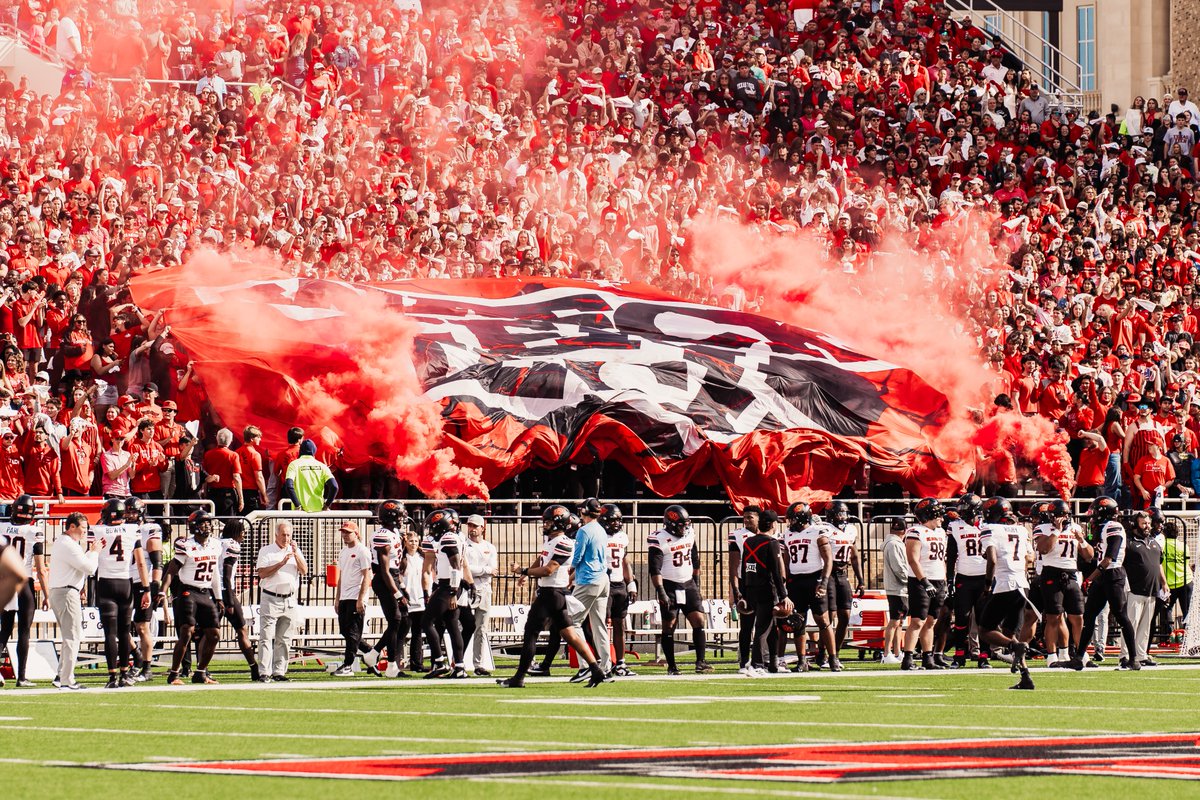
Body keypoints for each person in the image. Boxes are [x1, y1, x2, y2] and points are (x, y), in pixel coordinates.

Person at [498, 504, 606, 689]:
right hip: (555, 594)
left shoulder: (564, 542)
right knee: (570, 635)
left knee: (531, 633)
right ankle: (596, 670)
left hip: (552, 594)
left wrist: (522, 570)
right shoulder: (551, 541)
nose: (545, 525)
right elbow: (542, 559)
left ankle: (519, 677)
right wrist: (527, 573)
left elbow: (549, 569)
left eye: (548, 522)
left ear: (559, 523)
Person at [1068, 497, 1141, 671]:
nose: (1092, 516)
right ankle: (1079, 657)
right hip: (1103, 575)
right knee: (1089, 615)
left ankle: (1133, 658)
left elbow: (1108, 559)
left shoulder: (1114, 527)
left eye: (1095, 512)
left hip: (1113, 575)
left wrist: (1090, 578)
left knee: (1121, 616)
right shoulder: (1105, 527)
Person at [978, 496, 1037, 691]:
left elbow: (992, 560)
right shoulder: (1021, 529)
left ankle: (1015, 648)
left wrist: (987, 586)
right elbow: (1030, 558)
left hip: (1006, 584)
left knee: (985, 630)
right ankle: (1025, 677)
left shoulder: (990, 529)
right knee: (1010, 634)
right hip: (1022, 585)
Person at [160, 509, 224, 686]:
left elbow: (215, 574)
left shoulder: (215, 544)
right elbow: (172, 569)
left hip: (205, 592)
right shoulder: (186, 545)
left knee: (214, 634)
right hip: (188, 591)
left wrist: (218, 597)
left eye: (208, 522)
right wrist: (162, 590)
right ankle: (174, 674)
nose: (207, 526)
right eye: (203, 522)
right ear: (194, 526)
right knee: (186, 632)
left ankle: (201, 672)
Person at [92, 497, 150, 688]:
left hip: (106, 583)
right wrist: (147, 588)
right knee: (125, 631)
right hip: (125, 582)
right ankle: (125, 674)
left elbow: (91, 558)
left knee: (110, 632)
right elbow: (141, 563)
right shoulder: (132, 530)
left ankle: (111, 677)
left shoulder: (98, 530)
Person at [649, 505, 712, 675]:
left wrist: (697, 581)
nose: (684, 528)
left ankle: (701, 662)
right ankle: (672, 666)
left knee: (699, 620)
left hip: (688, 583)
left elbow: (695, 557)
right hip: (669, 585)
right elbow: (654, 568)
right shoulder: (660, 538)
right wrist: (660, 590)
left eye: (686, 524)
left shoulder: (690, 533)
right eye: (680, 525)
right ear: (670, 523)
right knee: (669, 625)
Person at [1032, 498, 1091, 667]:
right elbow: (1044, 549)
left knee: (1078, 617)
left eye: (1064, 515)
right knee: (1053, 617)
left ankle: (1082, 655)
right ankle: (1052, 657)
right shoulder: (1042, 528)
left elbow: (1088, 556)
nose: (1061, 519)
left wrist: (1082, 541)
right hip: (1051, 572)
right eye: (1057, 515)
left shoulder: (1076, 528)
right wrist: (1056, 532)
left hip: (1071, 574)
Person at [779, 501, 837, 673]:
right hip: (796, 581)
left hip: (815, 579)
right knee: (798, 622)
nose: (790, 523)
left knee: (823, 620)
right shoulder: (788, 535)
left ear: (801, 517)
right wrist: (785, 584)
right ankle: (802, 660)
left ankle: (833, 658)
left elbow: (828, 559)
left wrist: (824, 582)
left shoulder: (817, 531)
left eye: (792, 519)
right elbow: (786, 561)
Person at [0, 495, 49, 688]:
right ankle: (21, 677)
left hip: (5, 581)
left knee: (4, 630)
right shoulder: (34, 532)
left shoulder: (2, 527)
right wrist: (46, 594)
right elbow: (41, 567)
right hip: (24, 583)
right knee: (24, 632)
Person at [420, 508, 473, 679]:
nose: (431, 530)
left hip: (447, 586)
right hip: (451, 585)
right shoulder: (456, 537)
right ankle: (459, 667)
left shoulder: (448, 538)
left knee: (427, 621)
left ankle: (439, 662)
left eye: (433, 526)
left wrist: (452, 592)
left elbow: (456, 566)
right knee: (452, 625)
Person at [47, 512, 94, 690]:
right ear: (72, 527)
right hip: (66, 592)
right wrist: (94, 552)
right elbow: (89, 568)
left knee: (70, 636)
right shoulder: (68, 544)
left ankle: (61, 676)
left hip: (63, 591)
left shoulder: (65, 543)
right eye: (83, 527)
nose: (85, 531)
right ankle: (67, 679)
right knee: (72, 637)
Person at [255, 520, 307, 682]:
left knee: (284, 638)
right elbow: (262, 573)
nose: (286, 538)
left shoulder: (295, 551)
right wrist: (281, 563)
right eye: (283, 534)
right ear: (276, 535)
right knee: (266, 636)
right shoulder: (267, 551)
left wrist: (296, 554)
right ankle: (264, 672)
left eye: (289, 535)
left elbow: (304, 570)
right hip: (271, 596)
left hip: (289, 598)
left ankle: (279, 671)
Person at [738, 510, 790, 675]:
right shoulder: (772, 543)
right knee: (763, 628)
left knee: (771, 628)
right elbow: (776, 572)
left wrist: (744, 594)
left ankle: (773, 664)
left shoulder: (748, 542)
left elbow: (745, 569)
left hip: (751, 588)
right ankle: (757, 665)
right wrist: (784, 596)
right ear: (773, 524)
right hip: (766, 589)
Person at [362, 500, 410, 678]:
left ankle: (374, 654)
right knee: (396, 619)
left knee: (404, 620)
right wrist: (397, 594)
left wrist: (402, 586)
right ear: (391, 516)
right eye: (399, 515)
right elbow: (384, 571)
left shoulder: (395, 533)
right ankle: (390, 665)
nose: (402, 519)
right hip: (384, 580)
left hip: (394, 578)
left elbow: (400, 565)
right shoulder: (381, 535)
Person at [566, 497, 611, 682]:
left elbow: (577, 558)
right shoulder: (601, 529)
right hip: (602, 579)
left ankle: (586, 665)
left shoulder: (584, 531)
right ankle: (606, 667)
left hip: (588, 580)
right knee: (599, 624)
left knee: (572, 622)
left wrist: (569, 574)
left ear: (584, 511)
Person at [902, 497, 949, 671]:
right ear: (929, 514)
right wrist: (925, 581)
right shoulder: (916, 531)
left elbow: (942, 559)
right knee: (917, 621)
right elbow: (913, 560)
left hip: (938, 580)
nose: (942, 519)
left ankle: (927, 658)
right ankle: (907, 658)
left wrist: (944, 581)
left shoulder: (941, 532)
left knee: (931, 621)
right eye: (939, 515)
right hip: (920, 580)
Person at [946, 493, 990, 668]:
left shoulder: (987, 525)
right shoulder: (955, 526)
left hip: (984, 578)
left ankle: (984, 656)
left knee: (983, 620)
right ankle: (959, 655)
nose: (962, 512)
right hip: (964, 577)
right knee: (962, 619)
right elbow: (951, 555)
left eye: (965, 508)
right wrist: (950, 578)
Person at [126, 497, 163, 682]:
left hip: (143, 583)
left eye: (133, 511)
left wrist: (155, 586)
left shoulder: (149, 529)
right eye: (128, 511)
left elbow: (157, 561)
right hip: (123, 580)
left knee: (142, 627)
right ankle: (137, 656)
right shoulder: (121, 529)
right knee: (120, 627)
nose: (130, 515)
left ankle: (147, 668)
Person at [1122, 512, 1166, 668]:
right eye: (1143, 523)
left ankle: (1141, 654)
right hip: (1134, 589)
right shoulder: (1129, 542)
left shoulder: (1154, 542)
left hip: (1152, 590)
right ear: (1135, 524)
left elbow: (1159, 564)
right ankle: (1126, 655)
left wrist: (1164, 583)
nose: (1147, 526)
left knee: (1145, 626)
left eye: (1148, 523)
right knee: (1131, 624)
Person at [220, 519, 262, 681]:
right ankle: (254, 667)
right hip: (225, 592)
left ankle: (202, 670)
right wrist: (230, 600)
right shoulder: (232, 545)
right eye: (242, 531)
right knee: (241, 630)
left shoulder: (216, 542)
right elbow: (227, 573)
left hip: (213, 591)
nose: (244, 534)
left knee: (210, 634)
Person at [823, 501, 864, 665]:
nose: (843, 516)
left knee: (845, 615)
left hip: (843, 573)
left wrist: (861, 581)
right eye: (840, 513)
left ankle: (836, 652)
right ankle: (824, 653)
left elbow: (854, 556)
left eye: (845, 513)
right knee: (830, 616)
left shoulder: (851, 530)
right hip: (829, 573)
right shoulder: (825, 529)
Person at [600, 503, 637, 677]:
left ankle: (620, 663)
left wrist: (631, 583)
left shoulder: (622, 536)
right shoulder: (598, 535)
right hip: (602, 583)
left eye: (619, 520)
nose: (617, 523)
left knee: (619, 624)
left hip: (619, 583)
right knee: (602, 624)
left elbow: (625, 561)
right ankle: (604, 661)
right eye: (613, 519)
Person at [333, 521, 371, 677]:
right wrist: (337, 598)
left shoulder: (362, 551)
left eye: (348, 532)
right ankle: (371, 651)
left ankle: (348, 664)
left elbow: (366, 575)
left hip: (355, 596)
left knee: (353, 632)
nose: (345, 535)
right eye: (343, 532)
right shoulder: (343, 552)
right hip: (345, 596)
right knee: (345, 631)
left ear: (356, 533)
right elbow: (341, 576)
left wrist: (361, 598)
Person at [727, 505, 761, 672]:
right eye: (745, 517)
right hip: (745, 583)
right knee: (746, 625)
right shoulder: (738, 535)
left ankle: (764, 660)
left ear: (759, 519)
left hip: (764, 584)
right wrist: (736, 590)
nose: (747, 520)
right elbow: (733, 566)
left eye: (750, 517)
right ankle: (744, 661)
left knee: (766, 625)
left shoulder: (770, 534)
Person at [463, 514, 498, 676]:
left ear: (482, 528)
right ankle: (459, 662)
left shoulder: (490, 547)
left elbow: (494, 569)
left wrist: (481, 571)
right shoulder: (464, 545)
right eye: (470, 526)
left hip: (484, 590)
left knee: (482, 628)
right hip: (467, 590)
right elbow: (466, 569)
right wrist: (485, 570)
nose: (472, 529)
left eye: (475, 526)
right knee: (463, 627)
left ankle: (478, 664)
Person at [283, 439, 339, 512]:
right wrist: (327, 505)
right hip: (318, 513)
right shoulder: (322, 466)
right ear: (314, 451)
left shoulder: (294, 465)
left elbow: (288, 486)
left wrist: (297, 505)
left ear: (301, 450)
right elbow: (334, 486)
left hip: (299, 514)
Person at [881, 519, 908, 665]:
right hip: (897, 587)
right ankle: (886, 653)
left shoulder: (893, 543)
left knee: (899, 621)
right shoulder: (894, 544)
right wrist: (909, 579)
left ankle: (897, 652)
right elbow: (899, 568)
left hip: (899, 588)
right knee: (895, 620)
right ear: (904, 531)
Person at [1160, 519, 1192, 636]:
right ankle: (1187, 636)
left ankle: (1169, 635)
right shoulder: (1183, 546)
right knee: (1187, 611)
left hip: (1168, 584)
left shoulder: (1162, 546)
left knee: (1167, 609)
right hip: (1185, 581)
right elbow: (1186, 562)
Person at [202, 428, 243, 516]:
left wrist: (205, 495)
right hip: (227, 494)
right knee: (228, 522)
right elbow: (236, 477)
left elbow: (205, 476)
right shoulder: (233, 455)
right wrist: (241, 498)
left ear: (217, 439)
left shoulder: (208, 454)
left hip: (212, 492)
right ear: (230, 440)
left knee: (213, 521)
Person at [238, 426, 268, 514]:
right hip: (251, 492)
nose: (260, 439)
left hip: (238, 491)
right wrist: (264, 494)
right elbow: (259, 477)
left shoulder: (236, 452)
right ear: (252, 439)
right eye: (258, 437)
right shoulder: (255, 455)